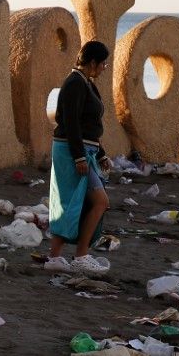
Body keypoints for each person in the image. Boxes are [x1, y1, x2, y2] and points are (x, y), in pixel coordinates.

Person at [44, 41, 112, 273]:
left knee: (75, 203)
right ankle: (81, 256)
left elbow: (89, 125)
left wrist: (101, 154)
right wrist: (79, 158)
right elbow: (70, 123)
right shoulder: (74, 83)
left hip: (84, 151)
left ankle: (54, 258)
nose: (105, 67)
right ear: (93, 62)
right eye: (103, 63)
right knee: (96, 202)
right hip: (72, 152)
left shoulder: (86, 83)